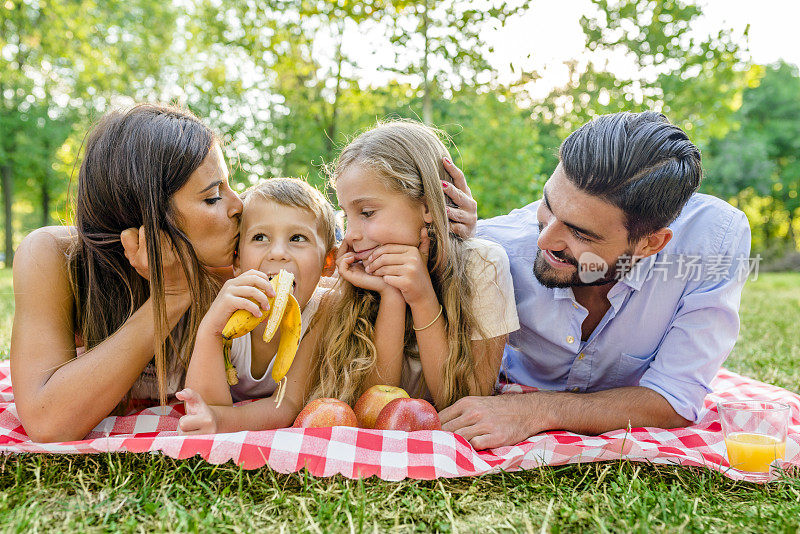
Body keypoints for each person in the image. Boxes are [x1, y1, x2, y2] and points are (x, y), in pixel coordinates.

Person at [437, 111, 751, 450]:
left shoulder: (714, 243)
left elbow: (673, 398)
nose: (545, 240)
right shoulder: (495, 247)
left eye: (579, 232)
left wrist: (536, 410)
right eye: (547, 205)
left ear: (650, 244)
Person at [9, 104, 257, 442]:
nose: (239, 204)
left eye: (229, 186)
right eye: (213, 197)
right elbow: (47, 422)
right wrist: (172, 296)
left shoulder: (237, 260)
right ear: (146, 213)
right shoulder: (55, 256)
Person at [309, 120, 519, 410]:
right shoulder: (358, 276)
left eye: (367, 212)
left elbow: (463, 403)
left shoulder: (483, 265)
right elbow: (373, 408)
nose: (351, 234)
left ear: (427, 207)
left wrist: (421, 298)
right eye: (346, 216)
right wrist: (391, 296)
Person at [176, 178, 337, 433]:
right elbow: (204, 407)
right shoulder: (225, 304)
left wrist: (220, 422)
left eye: (297, 238)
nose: (278, 253)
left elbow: (287, 404)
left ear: (328, 262)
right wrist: (211, 329)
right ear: (237, 260)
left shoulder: (319, 312)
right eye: (260, 237)